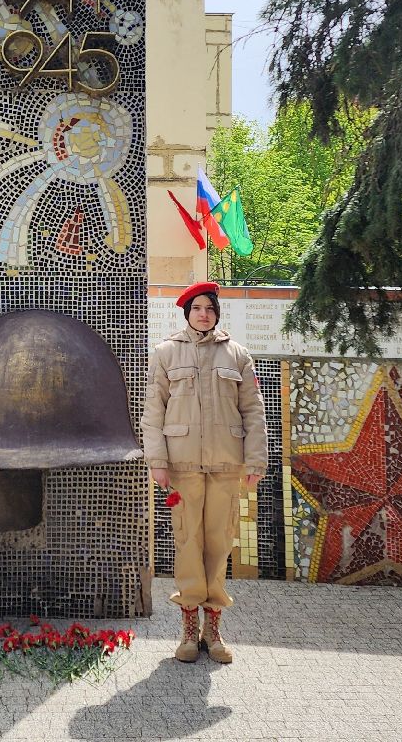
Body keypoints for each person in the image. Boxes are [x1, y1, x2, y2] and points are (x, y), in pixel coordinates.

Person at [140, 281, 265, 664]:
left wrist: (256, 462)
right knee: (187, 542)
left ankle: (215, 629)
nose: (203, 314)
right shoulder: (164, 353)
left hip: (227, 464)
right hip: (182, 466)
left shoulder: (238, 355)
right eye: (197, 308)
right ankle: (189, 631)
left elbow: (253, 412)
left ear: (217, 314)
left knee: (219, 543)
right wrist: (157, 462)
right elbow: (153, 413)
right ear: (186, 313)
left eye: (209, 308)